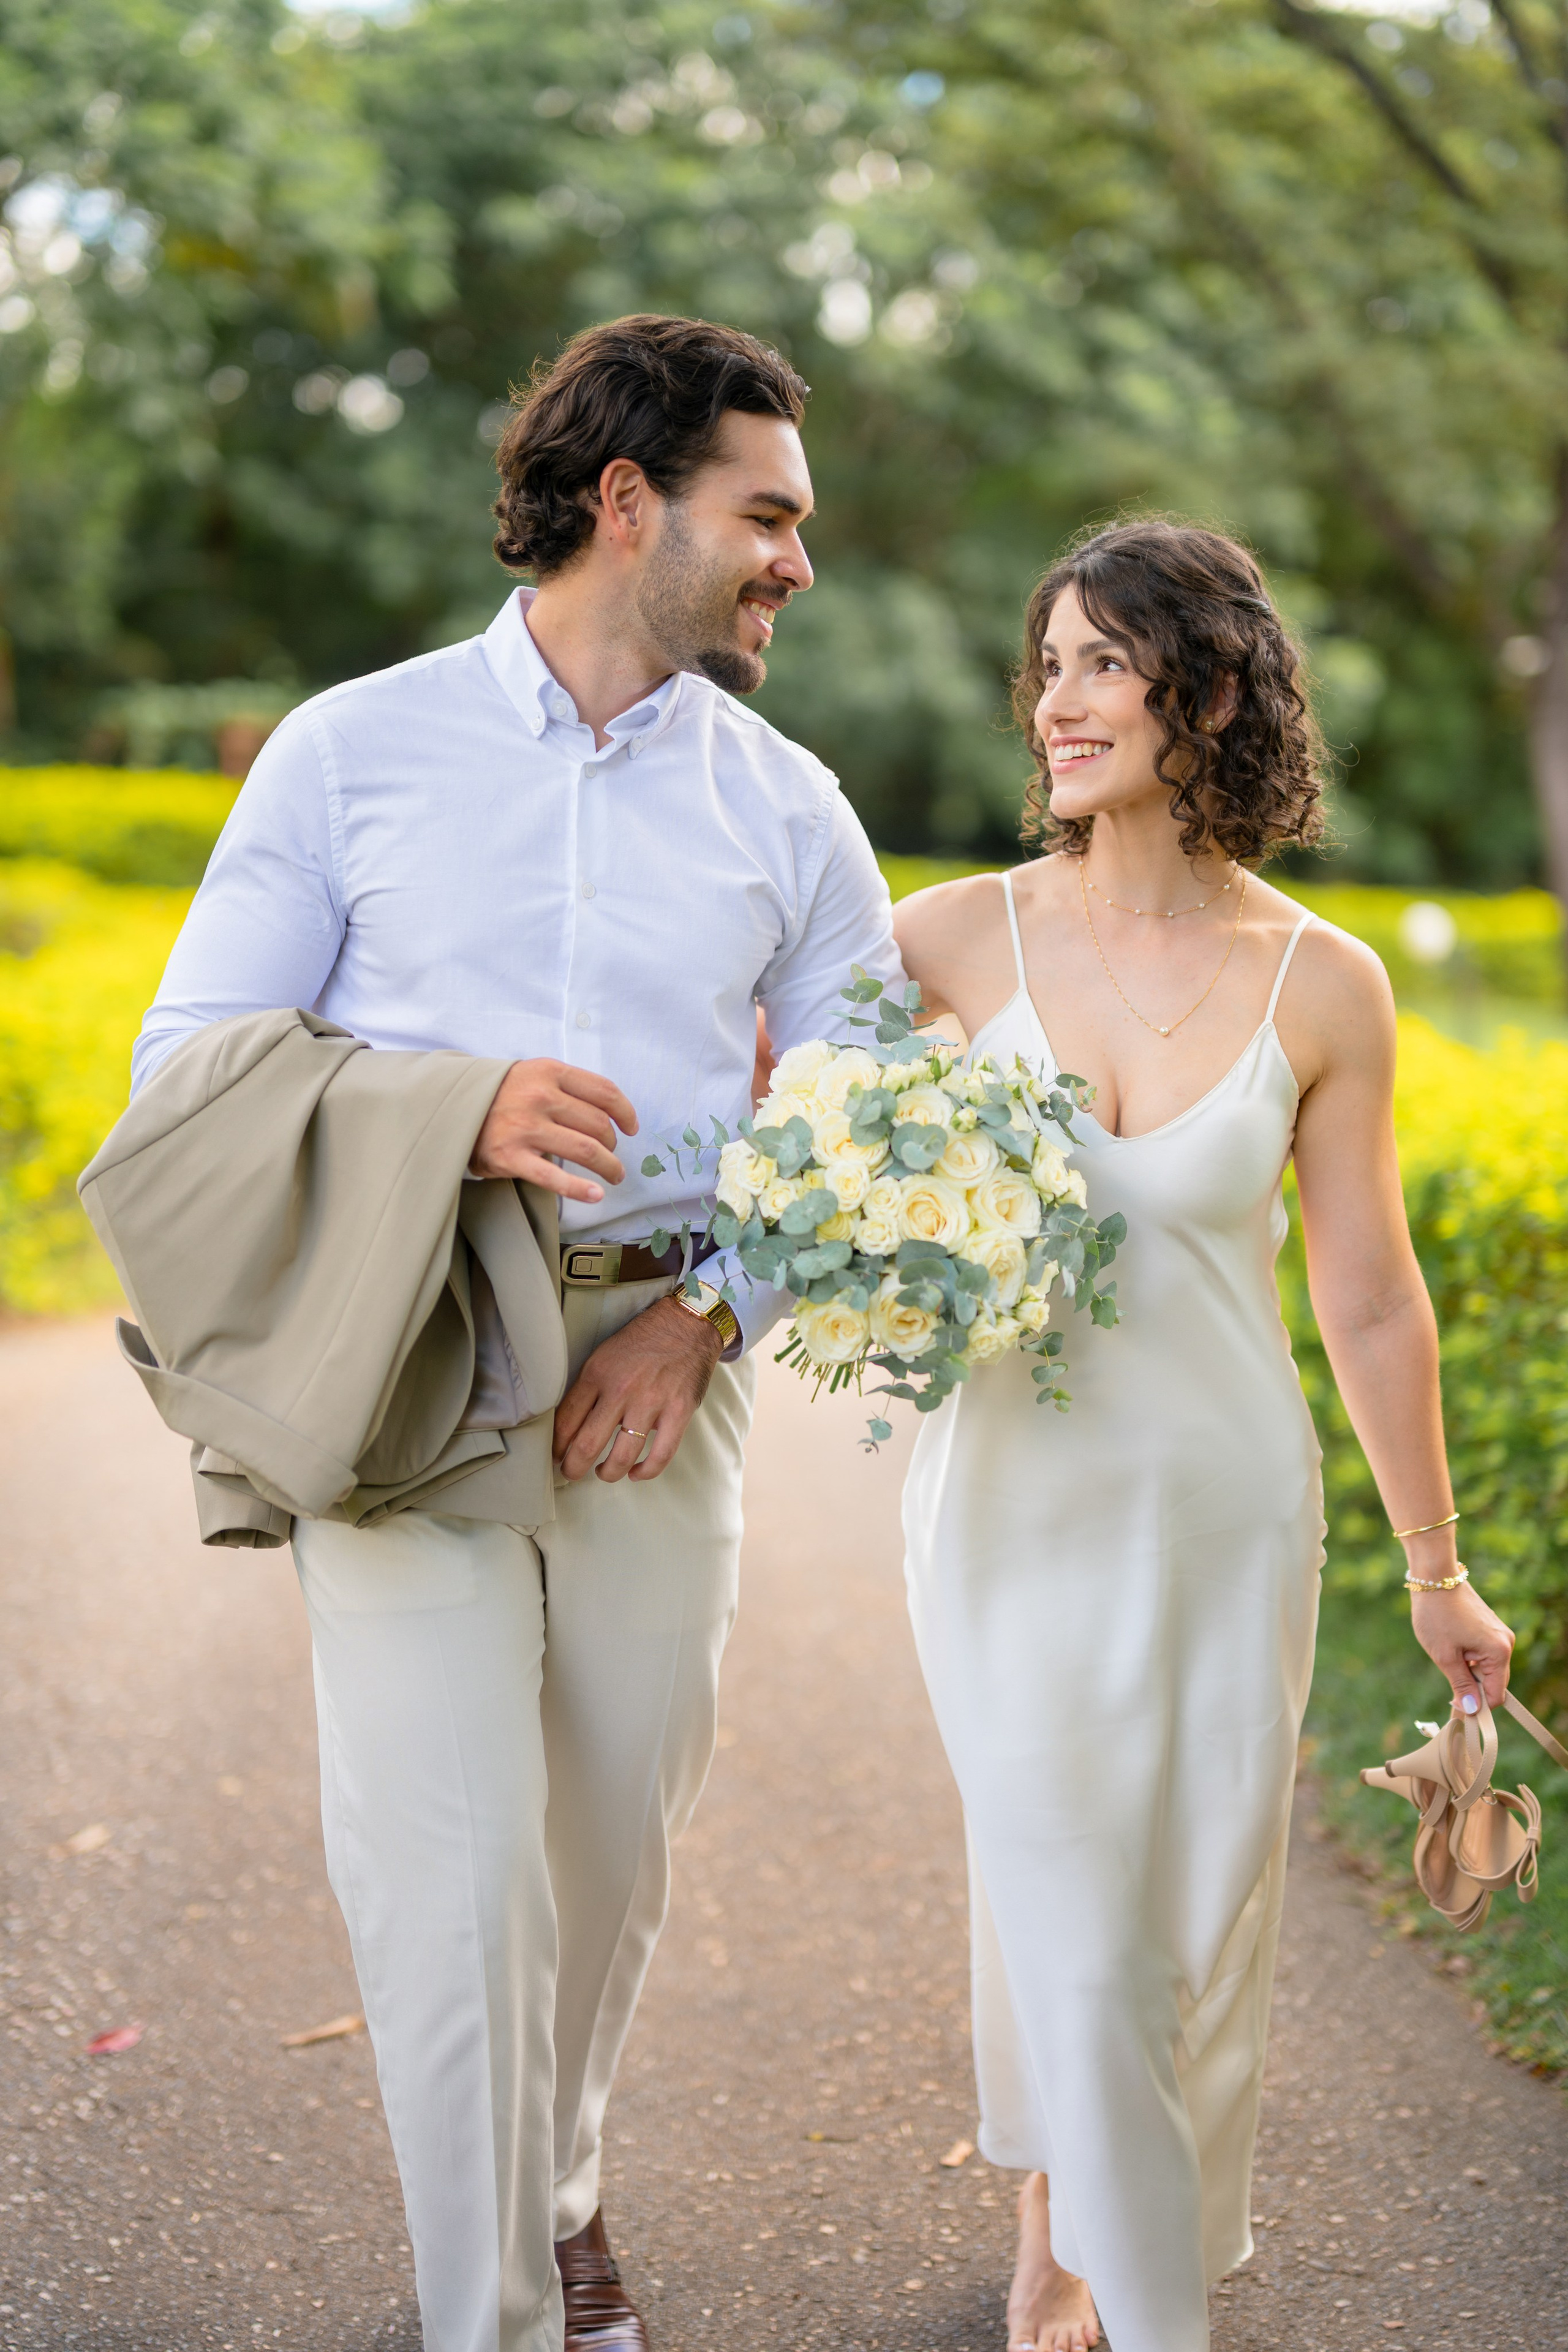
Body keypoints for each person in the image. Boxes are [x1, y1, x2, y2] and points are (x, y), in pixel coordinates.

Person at [130, 313, 900, 2352]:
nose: (795, 564)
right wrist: (446, 1105)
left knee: (609, 1846)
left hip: (664, 1381)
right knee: (449, 1883)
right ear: (626, 501)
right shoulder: (350, 749)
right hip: (406, 1365)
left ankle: (558, 2182)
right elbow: (187, 1067)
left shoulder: (794, 805)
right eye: (768, 517)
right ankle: (485, 2315)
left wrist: (708, 1327)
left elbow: (861, 1112)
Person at [892, 519, 1515, 2352]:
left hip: (1227, 1516)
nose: (1057, 701)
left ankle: (1064, 2218)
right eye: (1051, 663)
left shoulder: (1327, 983)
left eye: (1103, 662)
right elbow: (799, 1156)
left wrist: (1440, 1570)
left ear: (1212, 689)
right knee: (1063, 1889)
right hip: (1002, 1504)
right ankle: (1149, 2300)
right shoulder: (945, 936)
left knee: (1180, 1922)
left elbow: (1372, 1301)